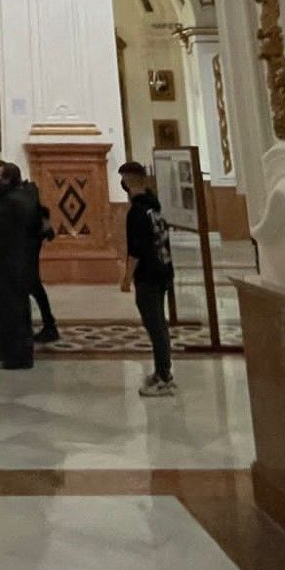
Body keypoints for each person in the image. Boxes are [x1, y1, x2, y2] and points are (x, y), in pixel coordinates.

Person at [118, 160, 176, 397]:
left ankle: (163, 377)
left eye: (123, 179)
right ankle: (164, 371)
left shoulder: (137, 212)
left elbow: (136, 251)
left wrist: (126, 278)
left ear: (129, 181)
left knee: (155, 326)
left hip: (148, 274)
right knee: (159, 324)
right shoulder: (154, 205)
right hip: (163, 269)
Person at [0, 162, 36, 369]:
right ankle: (19, 351)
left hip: (7, 261)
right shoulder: (25, 196)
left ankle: (16, 355)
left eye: (0, 178)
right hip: (19, 259)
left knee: (11, 309)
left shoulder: (10, 203)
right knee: (19, 308)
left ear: (8, 179)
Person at [4, 161, 60, 345]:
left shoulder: (16, 197)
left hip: (24, 246)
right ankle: (47, 324)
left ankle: (43, 326)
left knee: (30, 286)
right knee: (34, 286)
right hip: (31, 244)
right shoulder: (29, 191)